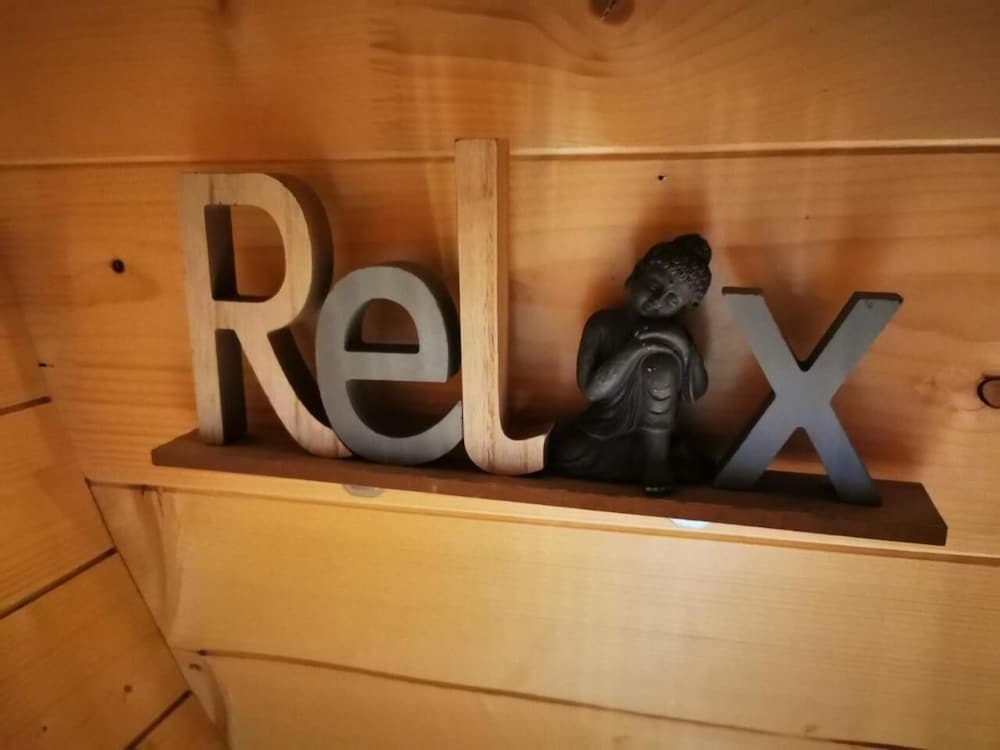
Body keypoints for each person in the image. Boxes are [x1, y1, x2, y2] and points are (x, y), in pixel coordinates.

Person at [546, 234, 712, 495]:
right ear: (637, 273)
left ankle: (657, 460)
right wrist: (636, 349)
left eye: (671, 300)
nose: (657, 301)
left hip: (657, 442)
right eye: (654, 286)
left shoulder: (674, 336)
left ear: (682, 307)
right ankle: (653, 460)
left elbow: (696, 392)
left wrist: (684, 346)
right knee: (567, 453)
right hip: (604, 429)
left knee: (662, 365)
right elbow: (591, 390)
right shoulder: (602, 325)